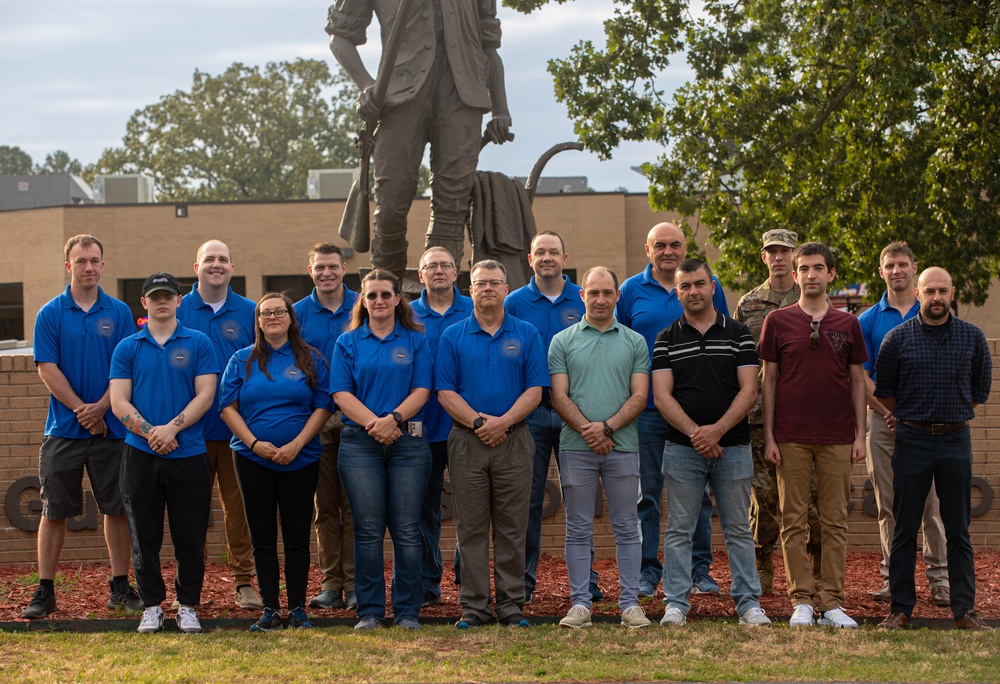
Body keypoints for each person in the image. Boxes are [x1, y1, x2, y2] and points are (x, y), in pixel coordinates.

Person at [326, 0, 513, 276]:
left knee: (452, 207)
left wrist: (501, 109)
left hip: (462, 100)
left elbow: (490, 47)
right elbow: (339, 36)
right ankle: (386, 292)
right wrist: (366, 85)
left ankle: (439, 292)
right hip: (397, 101)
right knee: (389, 207)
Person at [22, 234, 140, 619]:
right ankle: (45, 592)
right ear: (67, 265)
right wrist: (82, 412)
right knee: (53, 510)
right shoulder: (50, 313)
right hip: (63, 430)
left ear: (102, 265)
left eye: (94, 260)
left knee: (117, 510)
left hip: (114, 430)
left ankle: (120, 587)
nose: (88, 267)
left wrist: (103, 408)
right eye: (81, 261)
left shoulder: (120, 312)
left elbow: (126, 368)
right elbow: (47, 368)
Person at [653, 259, 770, 627]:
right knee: (679, 530)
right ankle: (676, 603)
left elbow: (750, 389)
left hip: (732, 446)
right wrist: (696, 434)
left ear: (713, 285)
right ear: (677, 291)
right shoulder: (665, 338)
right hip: (681, 448)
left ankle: (748, 603)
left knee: (737, 527)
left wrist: (716, 430)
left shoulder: (738, 334)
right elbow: (662, 395)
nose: (693, 291)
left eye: (700, 284)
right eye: (685, 286)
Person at [875, 267, 993, 631]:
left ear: (952, 292)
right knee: (905, 527)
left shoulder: (973, 338)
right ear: (917, 292)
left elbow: (979, 392)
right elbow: (887, 393)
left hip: (956, 439)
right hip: (912, 440)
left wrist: (948, 416)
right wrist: (919, 417)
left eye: (943, 290)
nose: (937, 297)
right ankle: (901, 610)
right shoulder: (896, 339)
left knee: (958, 527)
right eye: (930, 291)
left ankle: (963, 611)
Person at [616, 222, 727, 598]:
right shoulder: (630, 291)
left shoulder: (709, 286)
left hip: (697, 414)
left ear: (685, 248)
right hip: (646, 412)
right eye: (659, 245)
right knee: (647, 495)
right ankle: (649, 571)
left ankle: (700, 571)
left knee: (698, 497)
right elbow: (620, 348)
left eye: (675, 244)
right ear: (648, 250)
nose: (668, 251)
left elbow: (723, 339)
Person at [759, 242, 867, 628]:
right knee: (793, 519)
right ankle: (802, 600)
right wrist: (770, 436)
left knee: (835, 520)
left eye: (818, 268)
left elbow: (858, 382)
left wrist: (861, 436)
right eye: (804, 268)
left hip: (838, 435)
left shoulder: (848, 324)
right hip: (790, 436)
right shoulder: (778, 321)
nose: (810, 275)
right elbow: (768, 381)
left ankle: (833, 602)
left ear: (831, 274)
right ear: (796, 273)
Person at [436, 260, 547, 628]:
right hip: (467, 441)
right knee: (470, 528)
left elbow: (535, 389)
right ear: (470, 290)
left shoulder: (526, 332)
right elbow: (445, 391)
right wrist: (480, 422)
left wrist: (503, 422)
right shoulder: (453, 335)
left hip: (514, 440)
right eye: (480, 283)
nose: (487, 289)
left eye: (494, 283)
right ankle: (474, 607)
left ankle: (511, 605)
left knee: (513, 526)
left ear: (505, 288)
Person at [109, 272, 218, 634]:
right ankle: (152, 606)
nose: (161, 301)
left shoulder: (198, 342)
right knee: (144, 535)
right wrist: (151, 432)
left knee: (190, 535)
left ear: (178, 300)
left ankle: (187, 606)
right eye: (154, 296)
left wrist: (172, 429)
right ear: (143, 303)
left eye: (168, 295)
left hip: (188, 452)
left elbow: (205, 394)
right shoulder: (127, 347)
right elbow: (118, 400)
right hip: (140, 454)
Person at [220, 293, 333, 631]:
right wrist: (255, 444)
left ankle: (297, 609)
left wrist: (297, 444)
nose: (272, 317)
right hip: (252, 459)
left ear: (290, 318)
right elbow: (227, 407)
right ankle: (270, 609)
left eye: (278, 312)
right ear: (257, 321)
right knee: (263, 535)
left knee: (297, 535)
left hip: (302, 458)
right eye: (265, 313)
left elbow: (323, 406)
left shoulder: (311, 359)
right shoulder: (242, 360)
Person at [330, 270, 433, 630]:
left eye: (386, 295)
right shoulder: (348, 343)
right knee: (368, 530)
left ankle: (407, 611)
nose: (379, 301)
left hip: (409, 444)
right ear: (363, 301)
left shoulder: (416, 340)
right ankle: (371, 611)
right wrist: (378, 425)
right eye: (371, 295)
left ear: (397, 299)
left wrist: (394, 419)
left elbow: (422, 390)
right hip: (360, 444)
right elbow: (341, 394)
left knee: (406, 529)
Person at [550, 267, 650, 629]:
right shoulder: (562, 341)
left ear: (617, 296)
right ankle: (580, 605)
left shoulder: (635, 342)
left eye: (607, 292)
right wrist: (588, 430)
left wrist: (607, 428)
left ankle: (629, 604)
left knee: (627, 526)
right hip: (575, 447)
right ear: (582, 295)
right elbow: (558, 395)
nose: (601, 299)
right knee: (577, 528)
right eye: (594, 293)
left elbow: (640, 395)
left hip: (623, 446)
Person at [506, 230, 601, 604]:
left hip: (576, 414)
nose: (547, 258)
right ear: (530, 259)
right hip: (530, 414)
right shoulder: (514, 302)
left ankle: (587, 580)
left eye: (553, 252)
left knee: (580, 498)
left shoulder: (583, 298)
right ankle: (524, 582)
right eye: (539, 252)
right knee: (527, 500)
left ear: (565, 257)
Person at [858, 243, 949, 606]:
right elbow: (861, 377)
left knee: (931, 504)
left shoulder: (931, 312)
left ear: (915, 270)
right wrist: (887, 410)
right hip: (882, 423)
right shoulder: (867, 320)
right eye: (890, 265)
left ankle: (940, 580)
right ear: (881, 272)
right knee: (888, 504)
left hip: (926, 423)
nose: (897, 270)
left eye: (903, 264)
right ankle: (893, 579)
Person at [734, 229, 822, 594]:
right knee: (766, 497)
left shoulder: (813, 299)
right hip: (759, 415)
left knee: (813, 496)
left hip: (807, 413)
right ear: (764, 257)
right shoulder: (749, 304)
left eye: (785, 251)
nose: (779, 257)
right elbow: (739, 358)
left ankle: (813, 567)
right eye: (773, 251)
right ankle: (763, 559)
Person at [176, 239, 262, 611]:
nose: (216, 264)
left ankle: (243, 581)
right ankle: (189, 587)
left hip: (236, 432)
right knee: (189, 511)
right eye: (209, 259)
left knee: (239, 509)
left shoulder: (251, 311)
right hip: (189, 432)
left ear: (232, 267)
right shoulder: (177, 309)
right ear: (195, 267)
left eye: (223, 259)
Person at [294, 242, 359, 611]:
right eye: (320, 267)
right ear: (311, 270)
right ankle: (331, 584)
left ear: (344, 268)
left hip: (357, 418)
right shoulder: (298, 313)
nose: (327, 273)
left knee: (355, 508)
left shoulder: (362, 306)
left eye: (333, 266)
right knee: (324, 507)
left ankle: (355, 583)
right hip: (315, 418)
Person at [409, 246, 473, 608]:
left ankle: (467, 579)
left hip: (466, 428)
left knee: (470, 508)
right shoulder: (409, 316)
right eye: (430, 265)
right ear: (421, 275)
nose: (438, 271)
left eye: (445, 265)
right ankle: (428, 582)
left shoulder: (475, 310)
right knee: (423, 509)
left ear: (456, 273)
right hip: (422, 428)